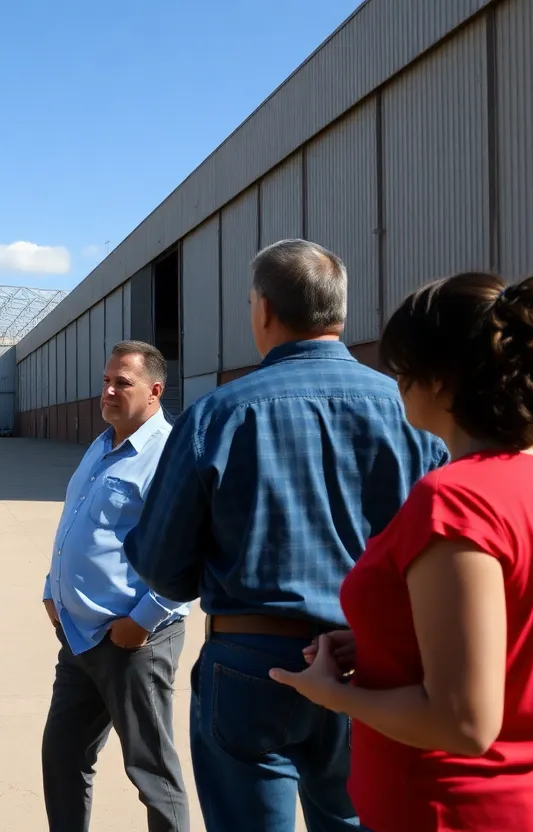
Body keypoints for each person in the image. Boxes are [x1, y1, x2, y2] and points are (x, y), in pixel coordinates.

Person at [124, 239, 448, 832]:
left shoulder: (218, 415)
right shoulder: (411, 413)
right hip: (373, 662)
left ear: (264, 310)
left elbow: (162, 565)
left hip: (251, 662)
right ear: (339, 313)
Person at [270, 272, 533, 832]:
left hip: (463, 810)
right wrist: (385, 638)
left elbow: (463, 723)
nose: (396, 383)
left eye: (402, 369)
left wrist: (332, 694)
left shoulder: (456, 499)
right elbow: (518, 627)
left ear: (443, 380)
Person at [41, 340, 192, 832]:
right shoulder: (102, 443)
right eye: (106, 380)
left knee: (151, 772)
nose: (107, 390)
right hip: (80, 637)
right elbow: (77, 521)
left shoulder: (170, 456)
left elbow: (190, 551)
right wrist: (52, 587)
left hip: (132, 643)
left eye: (121, 383)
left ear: (154, 391)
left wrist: (141, 621)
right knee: (62, 756)